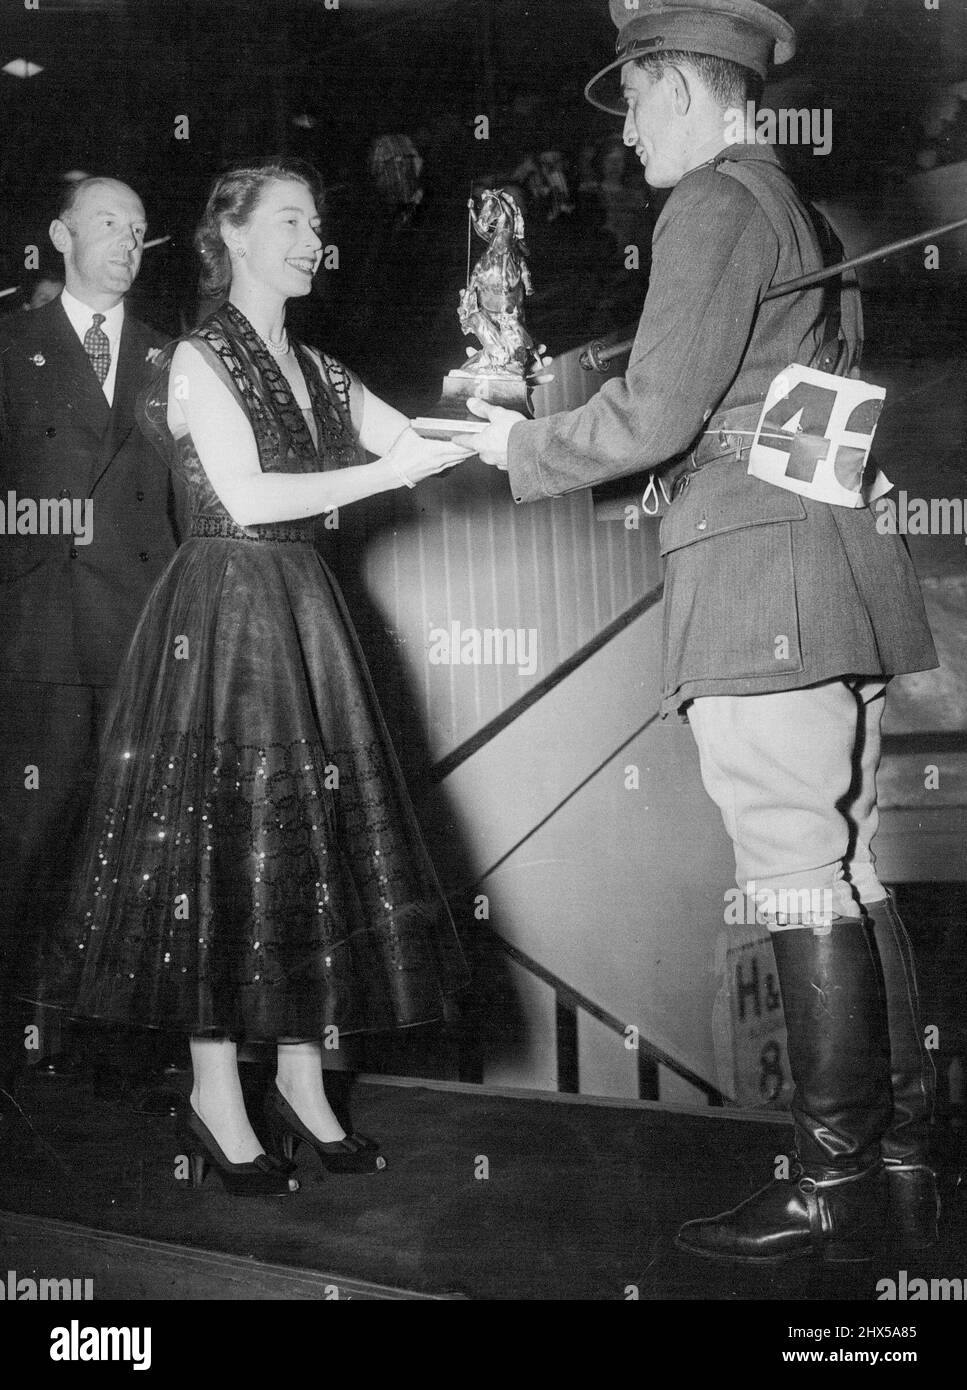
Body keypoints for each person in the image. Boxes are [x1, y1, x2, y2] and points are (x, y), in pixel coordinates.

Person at [461, 0, 941, 1261]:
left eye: (630, 105)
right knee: (845, 863)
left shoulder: (713, 205)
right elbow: (799, 422)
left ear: (677, 89)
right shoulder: (800, 210)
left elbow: (661, 409)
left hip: (757, 585)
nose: (625, 140)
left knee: (794, 867)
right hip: (829, 575)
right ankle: (893, 1161)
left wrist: (515, 443)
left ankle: (830, 1184)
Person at [39, 158, 471, 1196]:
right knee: (216, 858)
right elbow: (250, 493)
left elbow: (411, 438)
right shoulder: (197, 357)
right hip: (224, 618)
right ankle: (213, 1092)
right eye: (288, 219)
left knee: (306, 851)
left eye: (315, 220)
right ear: (229, 235)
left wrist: (491, 401)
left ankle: (300, 1079)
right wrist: (398, 469)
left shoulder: (318, 367)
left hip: (304, 615)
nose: (309, 236)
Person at [0, 178, 182, 1114]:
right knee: (30, 839)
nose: (126, 240)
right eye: (108, 223)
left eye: (140, 230)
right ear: (60, 233)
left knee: (127, 845)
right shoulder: (9, 345)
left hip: (140, 631)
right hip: (37, 629)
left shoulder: (171, 359)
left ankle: (103, 1041)